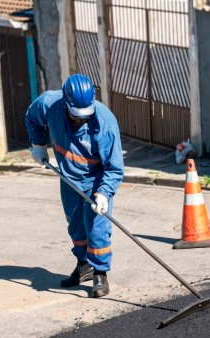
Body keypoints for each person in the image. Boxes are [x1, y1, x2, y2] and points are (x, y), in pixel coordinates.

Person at [25, 74, 124, 297]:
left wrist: (104, 194)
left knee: (98, 229)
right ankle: (83, 266)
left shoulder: (105, 124)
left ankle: (100, 273)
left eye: (86, 115)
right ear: (66, 103)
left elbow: (114, 167)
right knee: (76, 226)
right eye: (77, 115)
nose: (81, 120)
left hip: (96, 181)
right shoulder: (48, 104)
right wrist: (38, 145)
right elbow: (32, 118)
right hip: (68, 179)